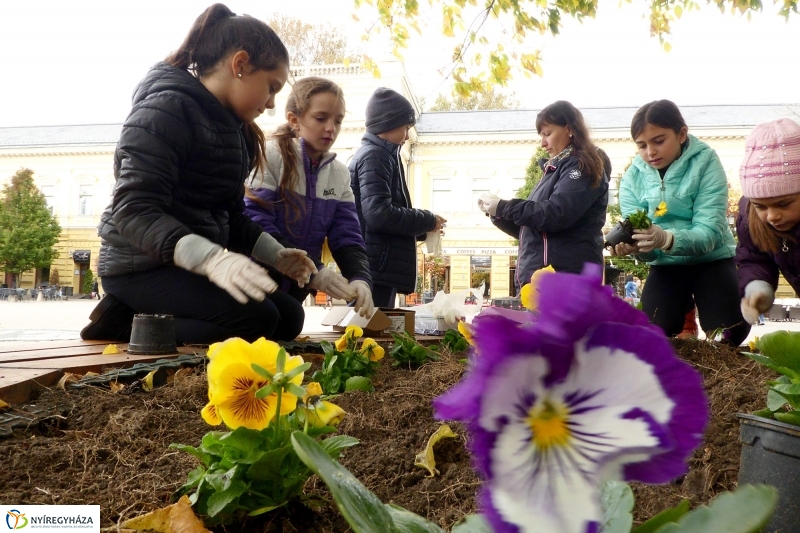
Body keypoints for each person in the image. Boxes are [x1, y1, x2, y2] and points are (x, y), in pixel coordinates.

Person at [81, 4, 317, 345]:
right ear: (240, 65)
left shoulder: (236, 131)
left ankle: (153, 320)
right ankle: (126, 323)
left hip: (187, 265)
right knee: (258, 321)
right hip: (140, 267)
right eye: (271, 87)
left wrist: (276, 255)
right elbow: (133, 211)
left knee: (289, 317)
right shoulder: (165, 110)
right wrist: (211, 260)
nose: (270, 104)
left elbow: (231, 217)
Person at [611, 99, 749, 344]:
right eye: (641, 145)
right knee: (653, 330)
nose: (650, 152)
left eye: (659, 141)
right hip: (667, 264)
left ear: (682, 134)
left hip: (712, 260)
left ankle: (699, 302)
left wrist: (666, 238)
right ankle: (684, 309)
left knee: (730, 331)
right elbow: (646, 248)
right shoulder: (633, 177)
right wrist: (637, 249)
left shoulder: (706, 162)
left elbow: (710, 231)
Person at [245, 77, 374, 317]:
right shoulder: (271, 156)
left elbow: (347, 236)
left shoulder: (340, 174)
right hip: (256, 278)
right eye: (321, 118)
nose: (331, 128)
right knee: (278, 319)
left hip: (298, 287)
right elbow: (255, 220)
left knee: (290, 320)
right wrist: (315, 273)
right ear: (295, 120)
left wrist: (360, 278)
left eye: (338, 120)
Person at [478, 100, 610, 289]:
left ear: (570, 129)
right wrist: (498, 214)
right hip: (544, 281)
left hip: (565, 280)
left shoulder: (582, 166)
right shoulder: (553, 171)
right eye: (541, 135)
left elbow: (555, 214)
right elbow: (533, 231)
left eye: (547, 134)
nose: (543, 143)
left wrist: (504, 206)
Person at [349, 87, 446, 308]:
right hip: (377, 266)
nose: (407, 135)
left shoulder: (382, 155)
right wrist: (427, 220)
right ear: (388, 124)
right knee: (370, 334)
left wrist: (424, 229)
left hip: (376, 264)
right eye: (406, 127)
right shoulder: (376, 156)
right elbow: (379, 214)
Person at [735, 118, 800, 326]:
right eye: (761, 206)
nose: (772, 216)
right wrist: (757, 288)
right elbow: (754, 259)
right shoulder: (751, 221)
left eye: (783, 204)